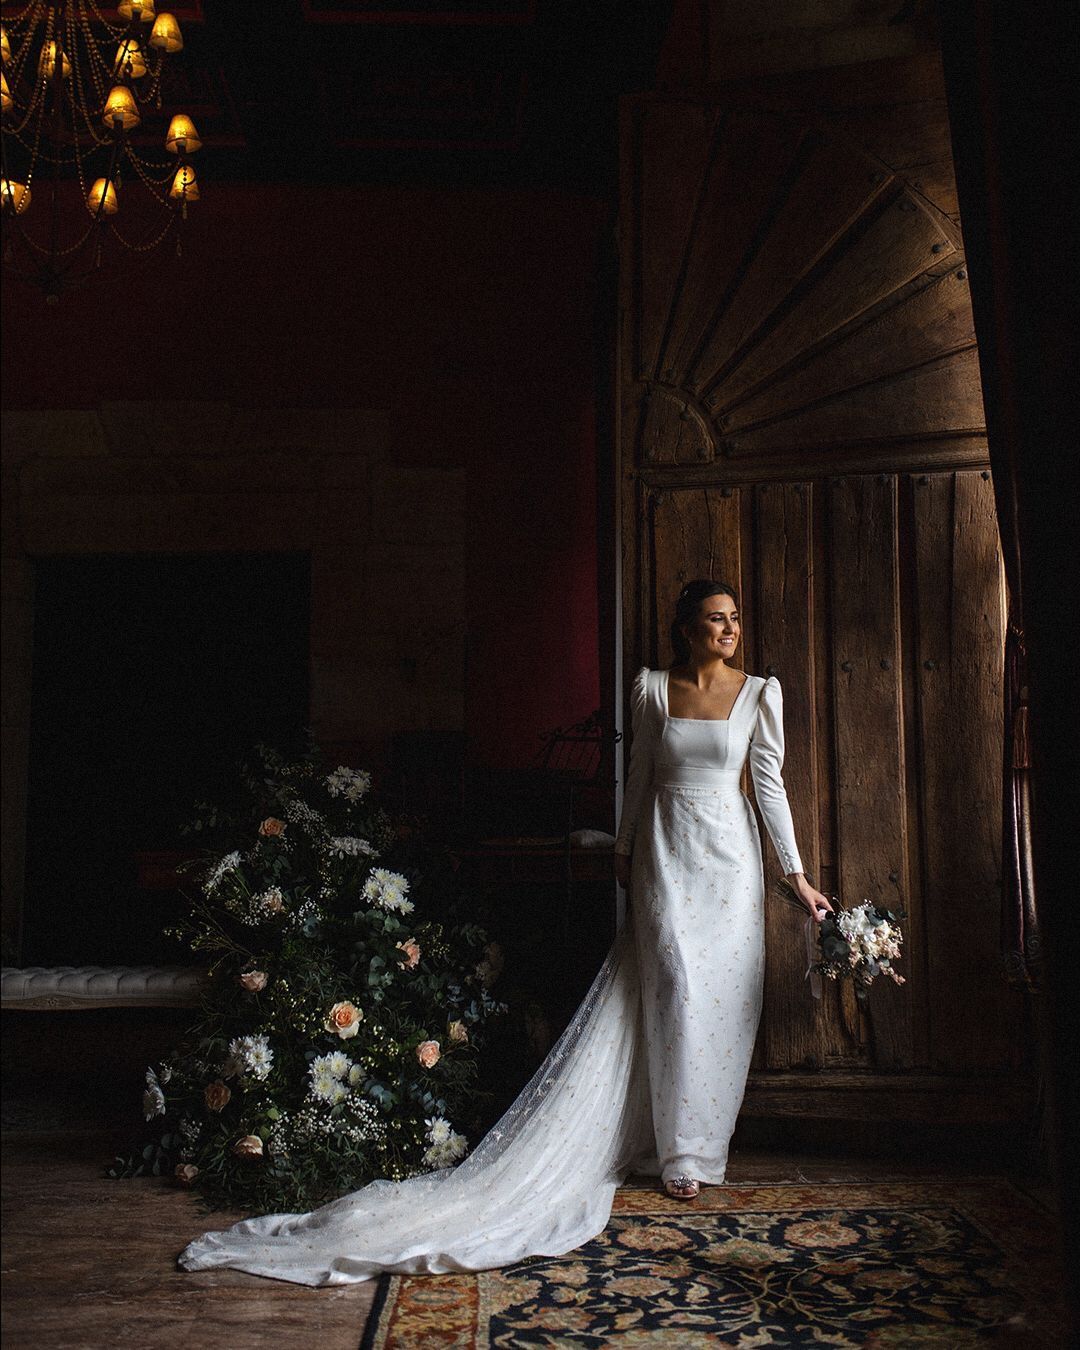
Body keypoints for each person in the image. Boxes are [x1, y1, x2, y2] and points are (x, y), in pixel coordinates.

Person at [178, 578, 829, 1285]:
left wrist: (793, 877)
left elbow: (769, 786)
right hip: (666, 858)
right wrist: (622, 846)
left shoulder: (761, 693)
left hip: (730, 863)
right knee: (671, 986)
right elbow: (639, 773)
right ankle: (675, 1151)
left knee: (721, 1004)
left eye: (734, 620)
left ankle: (699, 1151)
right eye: (715, 620)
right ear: (686, 629)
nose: (729, 630)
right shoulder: (650, 688)